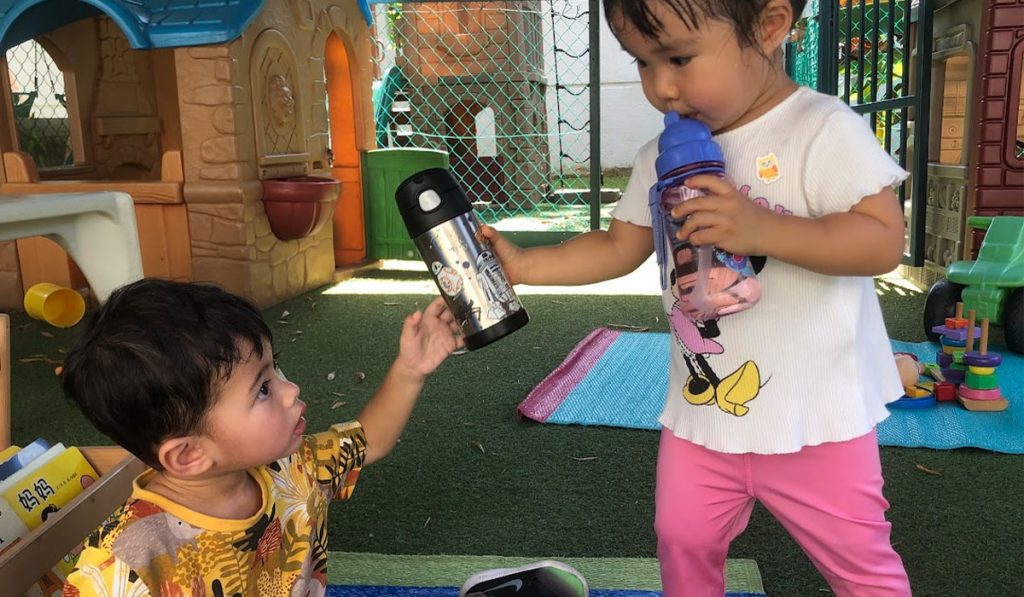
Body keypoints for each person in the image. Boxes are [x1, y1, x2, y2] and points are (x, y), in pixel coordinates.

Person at [479, 0, 912, 595]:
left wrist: (763, 229)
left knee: (861, 565)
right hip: (703, 418)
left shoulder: (820, 129)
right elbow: (617, 246)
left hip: (818, 420)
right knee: (682, 542)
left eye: (679, 57)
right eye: (642, 62)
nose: (660, 86)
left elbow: (883, 240)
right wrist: (525, 265)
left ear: (768, 26)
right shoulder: (659, 158)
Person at [59, 278, 462, 596]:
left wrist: (411, 369)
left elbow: (367, 442)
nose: (291, 390)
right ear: (189, 455)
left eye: (275, 369)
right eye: (262, 389)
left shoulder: (292, 468)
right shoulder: (123, 570)